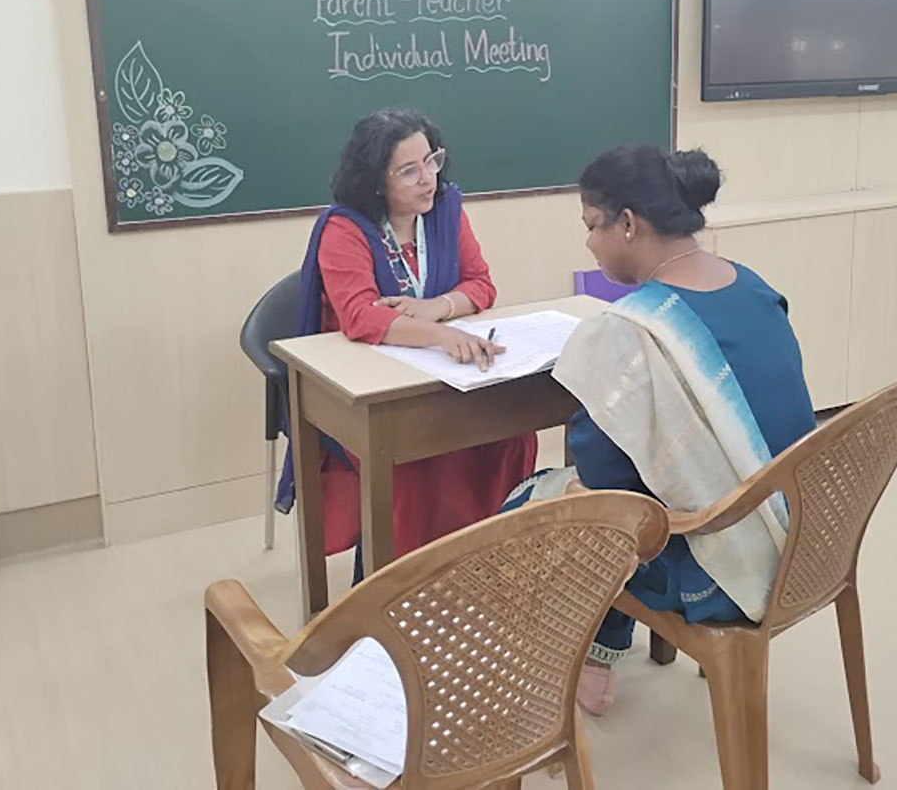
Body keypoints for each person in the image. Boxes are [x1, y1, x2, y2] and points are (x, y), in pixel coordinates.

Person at [503, 144, 816, 714]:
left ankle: (578, 670)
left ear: (628, 223)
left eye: (591, 226)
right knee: (636, 490)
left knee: (539, 501)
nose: (589, 243)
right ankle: (599, 656)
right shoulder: (751, 286)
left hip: (725, 568)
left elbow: (602, 480)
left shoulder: (629, 331)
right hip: (801, 536)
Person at [277, 108, 537, 577]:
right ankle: (401, 583)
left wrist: (437, 307)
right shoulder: (344, 228)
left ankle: (481, 567)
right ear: (377, 179)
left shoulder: (446, 211)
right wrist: (440, 334)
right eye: (409, 170)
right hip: (365, 390)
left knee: (511, 437)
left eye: (432, 161)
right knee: (411, 461)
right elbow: (359, 315)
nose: (428, 179)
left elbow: (481, 284)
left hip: (441, 378)